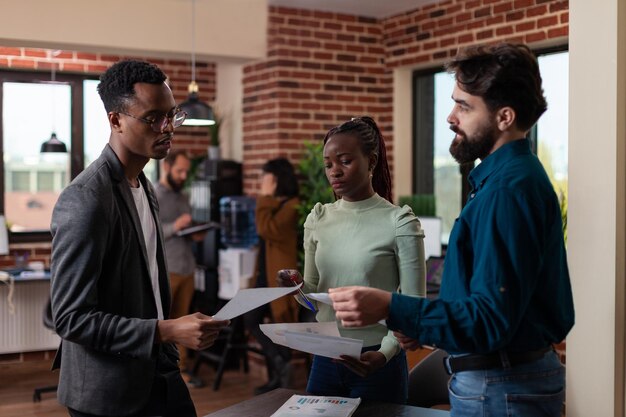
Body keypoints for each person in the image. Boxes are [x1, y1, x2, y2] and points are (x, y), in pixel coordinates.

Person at [328, 43, 575, 417]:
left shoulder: (506, 191)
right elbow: (494, 309)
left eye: (464, 106)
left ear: (505, 116)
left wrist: (390, 305)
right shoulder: (510, 180)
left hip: (500, 388)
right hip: (506, 382)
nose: (449, 117)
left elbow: (490, 320)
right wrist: (422, 324)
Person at [49, 59, 229, 417]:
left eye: (171, 115)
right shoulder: (85, 198)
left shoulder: (144, 187)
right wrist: (165, 330)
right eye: (152, 118)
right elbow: (71, 318)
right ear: (116, 120)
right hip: (108, 389)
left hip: (157, 369)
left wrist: (169, 332)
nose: (167, 128)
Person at [278, 116, 426, 404]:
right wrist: (295, 286)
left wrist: (384, 355)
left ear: (371, 162)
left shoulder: (399, 222)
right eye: (328, 164)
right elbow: (313, 300)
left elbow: (413, 305)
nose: (335, 171)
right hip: (325, 357)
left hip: (377, 360)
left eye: (345, 161)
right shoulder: (318, 217)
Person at [244, 158, 301, 395]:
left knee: (274, 324)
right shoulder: (277, 204)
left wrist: (265, 197)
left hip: (279, 279)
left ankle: (280, 374)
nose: (262, 183)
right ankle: (280, 367)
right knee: (251, 319)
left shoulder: (293, 206)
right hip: (264, 275)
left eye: (265, 178)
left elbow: (267, 228)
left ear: (276, 179)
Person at [154, 149, 207, 388]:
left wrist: (196, 232)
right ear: (167, 168)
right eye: (180, 171)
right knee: (166, 322)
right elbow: (150, 234)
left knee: (185, 320)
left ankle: (180, 370)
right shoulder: (154, 195)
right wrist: (175, 226)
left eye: (187, 171)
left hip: (187, 267)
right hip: (168, 269)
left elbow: (186, 231)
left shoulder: (184, 196)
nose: (184, 175)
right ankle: (161, 372)